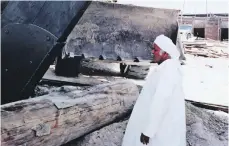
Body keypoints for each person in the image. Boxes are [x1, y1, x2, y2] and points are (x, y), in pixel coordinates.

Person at [121, 34, 186, 146]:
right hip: (162, 125)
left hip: (162, 129)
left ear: (165, 53)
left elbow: (161, 101)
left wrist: (149, 131)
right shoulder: (167, 68)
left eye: (155, 49)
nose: (152, 52)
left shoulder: (168, 70)